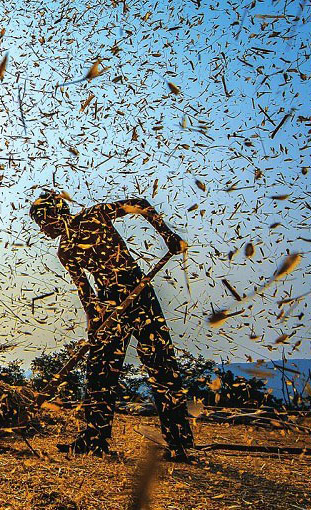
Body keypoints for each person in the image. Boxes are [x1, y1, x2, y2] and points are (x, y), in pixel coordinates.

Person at [30, 190, 194, 460]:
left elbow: (139, 205)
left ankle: (179, 443)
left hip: (137, 291)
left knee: (161, 364)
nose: (42, 228)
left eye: (42, 221)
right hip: (108, 302)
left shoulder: (95, 216)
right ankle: (94, 440)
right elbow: (85, 292)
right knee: (99, 372)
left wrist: (168, 235)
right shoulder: (66, 251)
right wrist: (94, 323)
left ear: (54, 214)